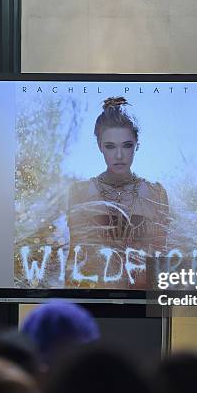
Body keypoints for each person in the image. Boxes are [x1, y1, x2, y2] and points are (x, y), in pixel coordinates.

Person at [67, 97, 169, 288]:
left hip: (143, 304)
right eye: (110, 146)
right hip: (93, 300)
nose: (119, 155)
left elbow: (161, 262)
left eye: (127, 145)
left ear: (137, 144)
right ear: (100, 146)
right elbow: (75, 259)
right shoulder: (79, 192)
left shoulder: (156, 194)